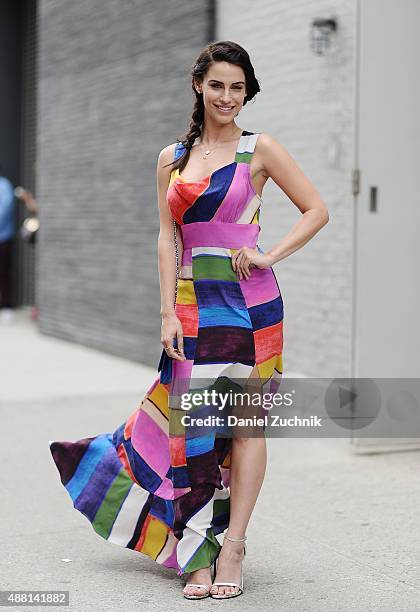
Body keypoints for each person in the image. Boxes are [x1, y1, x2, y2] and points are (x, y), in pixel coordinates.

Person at [49, 40, 329, 600]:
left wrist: (271, 255)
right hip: (192, 306)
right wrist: (165, 312)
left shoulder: (261, 149)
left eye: (238, 87)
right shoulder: (171, 158)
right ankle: (197, 548)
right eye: (218, 84)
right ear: (199, 84)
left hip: (252, 305)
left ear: (248, 92)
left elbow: (317, 209)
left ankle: (234, 546)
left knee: (246, 428)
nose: (227, 97)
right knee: (193, 428)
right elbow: (166, 236)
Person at [0, 166, 16, 322]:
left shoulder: (3, 185)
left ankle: (7, 307)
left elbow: (5, 208)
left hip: (3, 237)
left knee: (4, 273)